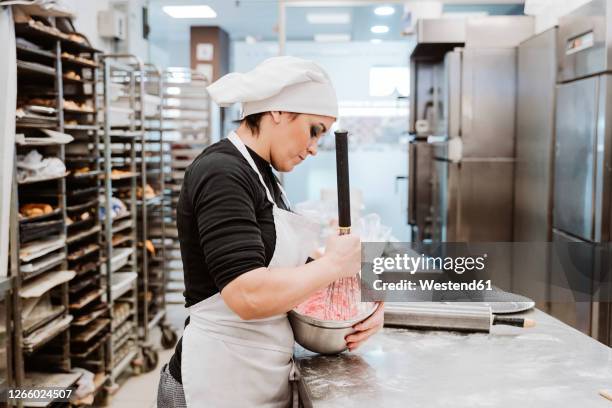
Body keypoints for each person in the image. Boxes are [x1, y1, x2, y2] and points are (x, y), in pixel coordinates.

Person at [156, 56, 384, 408]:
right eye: (314, 130)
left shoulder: (264, 177)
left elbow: (287, 270)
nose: (313, 149)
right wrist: (333, 265)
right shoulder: (222, 172)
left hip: (254, 375)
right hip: (216, 381)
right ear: (278, 111)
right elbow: (247, 296)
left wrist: (367, 304)